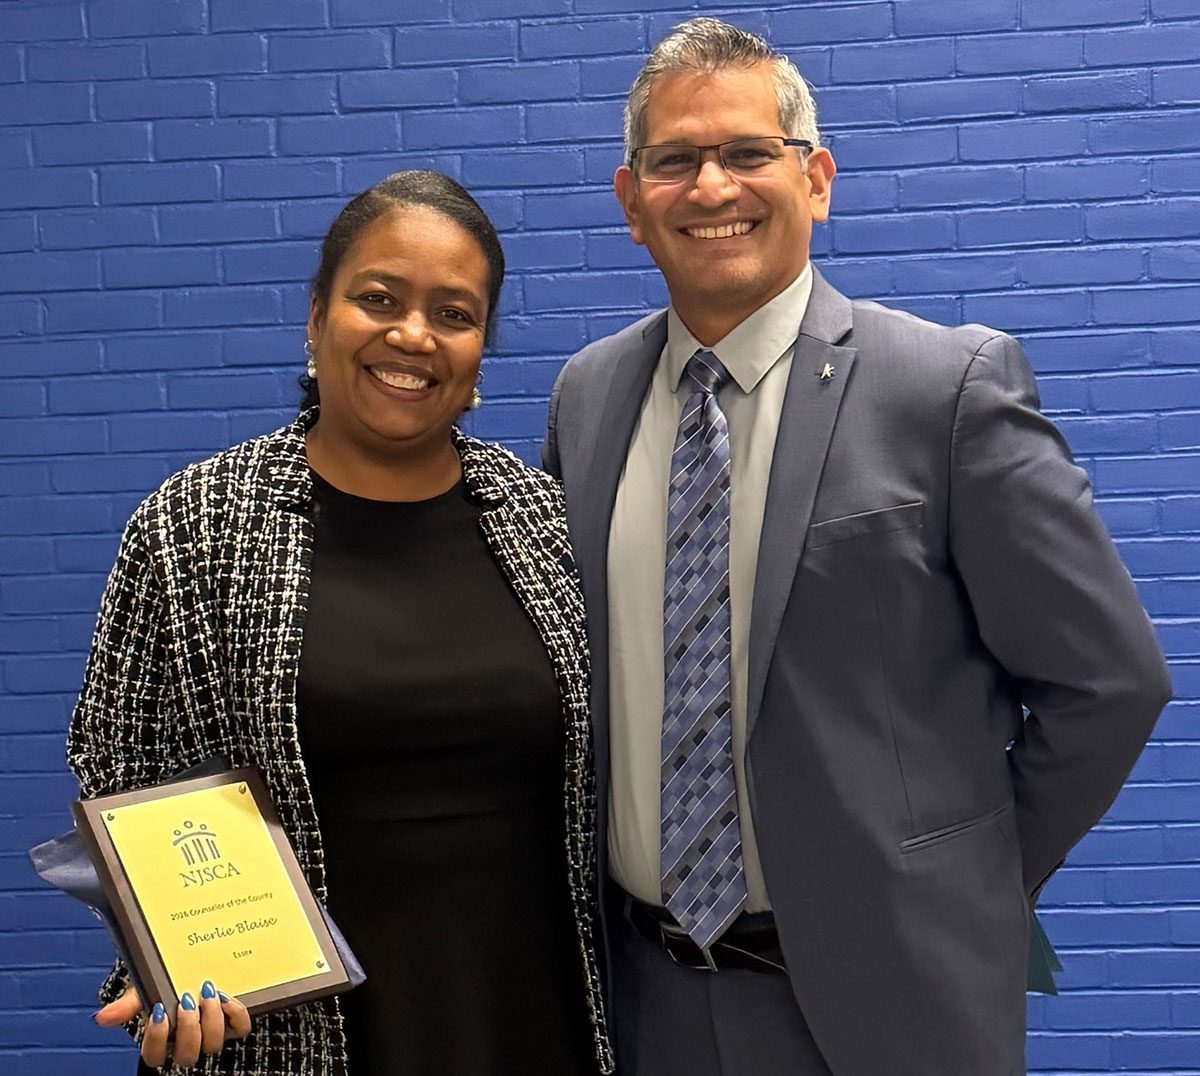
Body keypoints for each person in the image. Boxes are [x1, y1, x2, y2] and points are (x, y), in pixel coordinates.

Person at [543, 18, 1171, 1076]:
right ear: (631, 202)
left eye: (748, 153)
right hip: (649, 997)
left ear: (816, 178)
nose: (711, 187)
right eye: (675, 160)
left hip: (895, 1002)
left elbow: (1110, 680)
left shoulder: (948, 388)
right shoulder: (589, 397)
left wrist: (965, 878)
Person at [68, 170, 613, 1075]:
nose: (413, 335)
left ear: (481, 350)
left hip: (535, 1014)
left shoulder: (545, 520)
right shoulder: (193, 526)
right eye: (378, 298)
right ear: (317, 317)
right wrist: (160, 967)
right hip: (291, 1039)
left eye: (454, 312)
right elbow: (115, 764)